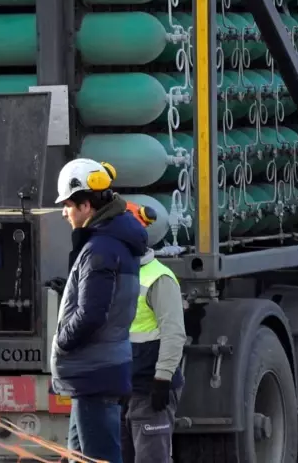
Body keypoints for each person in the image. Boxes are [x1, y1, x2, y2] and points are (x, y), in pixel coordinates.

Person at [50, 158, 148, 463]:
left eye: (68, 204)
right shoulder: (110, 245)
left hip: (94, 374)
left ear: (87, 206)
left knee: (99, 458)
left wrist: (62, 342)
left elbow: (92, 313)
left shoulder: (100, 250)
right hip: (96, 374)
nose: (64, 212)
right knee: (79, 458)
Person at [123, 198, 186, 463]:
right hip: (122, 387)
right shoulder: (114, 275)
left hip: (150, 389)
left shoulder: (158, 278)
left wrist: (162, 380)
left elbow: (174, 333)